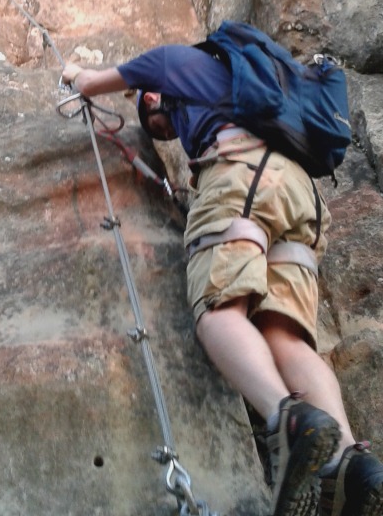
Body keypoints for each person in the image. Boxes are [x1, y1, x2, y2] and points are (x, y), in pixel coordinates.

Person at [61, 41, 383, 516]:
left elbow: (106, 78)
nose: (162, 131)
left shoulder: (178, 66)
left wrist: (75, 74)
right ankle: (354, 468)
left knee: (217, 311)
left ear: (152, 97)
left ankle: (287, 421)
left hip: (241, 173)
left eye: (154, 119)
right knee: (286, 338)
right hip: (301, 199)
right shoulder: (245, 84)